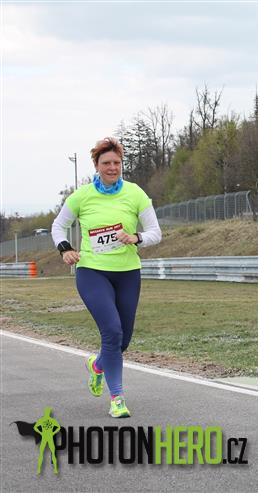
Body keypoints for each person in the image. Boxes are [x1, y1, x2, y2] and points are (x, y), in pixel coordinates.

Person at [51, 137, 162, 418]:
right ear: (97, 166)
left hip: (127, 273)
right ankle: (117, 399)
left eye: (117, 163)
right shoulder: (82, 196)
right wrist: (65, 249)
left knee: (122, 341)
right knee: (111, 332)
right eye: (106, 163)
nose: (112, 167)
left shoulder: (135, 193)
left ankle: (97, 365)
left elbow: (155, 233)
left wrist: (136, 237)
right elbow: (58, 226)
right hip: (92, 272)